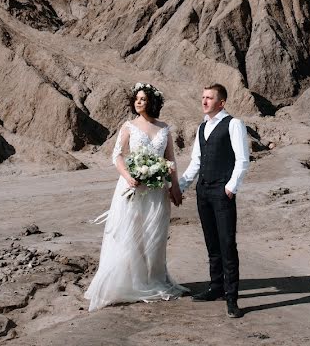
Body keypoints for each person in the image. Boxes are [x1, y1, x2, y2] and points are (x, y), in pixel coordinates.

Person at [84, 82, 187, 311]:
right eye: (137, 99)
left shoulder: (164, 128)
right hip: (132, 188)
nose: (138, 102)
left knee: (154, 235)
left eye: (143, 99)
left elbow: (171, 160)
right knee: (130, 234)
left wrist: (175, 186)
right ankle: (130, 283)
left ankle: (153, 280)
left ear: (152, 102)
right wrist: (129, 176)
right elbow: (117, 156)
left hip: (157, 190)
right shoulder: (129, 126)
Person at [178, 83, 250, 319]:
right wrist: (180, 187)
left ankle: (232, 298)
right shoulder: (202, 128)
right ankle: (216, 286)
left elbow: (242, 159)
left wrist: (230, 188)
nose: (204, 101)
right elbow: (196, 162)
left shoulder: (234, 124)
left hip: (221, 191)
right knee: (212, 243)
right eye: (203, 97)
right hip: (203, 192)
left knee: (227, 243)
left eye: (209, 97)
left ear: (222, 102)